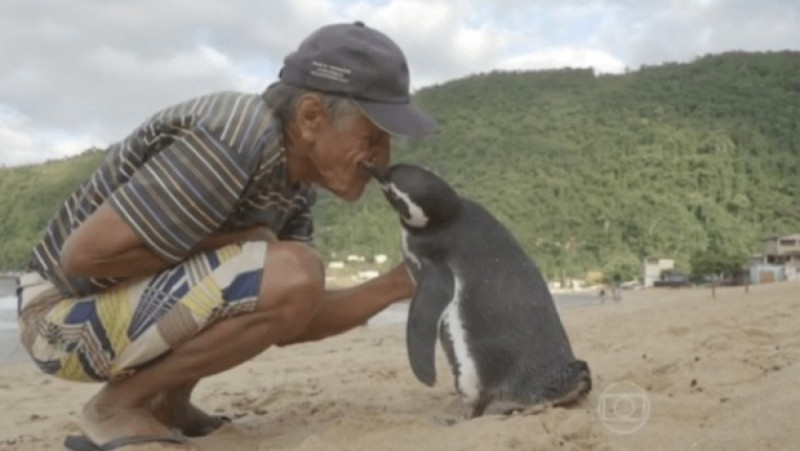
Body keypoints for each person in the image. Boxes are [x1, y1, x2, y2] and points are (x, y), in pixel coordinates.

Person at [16, 21, 435, 449]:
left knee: (287, 270)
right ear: (311, 117)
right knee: (287, 265)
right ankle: (117, 407)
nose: (382, 157)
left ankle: (167, 404)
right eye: (373, 137)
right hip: (56, 317)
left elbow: (290, 315)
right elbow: (83, 258)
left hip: (107, 311)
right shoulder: (234, 134)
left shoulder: (294, 186)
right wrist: (243, 244)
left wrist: (399, 283)